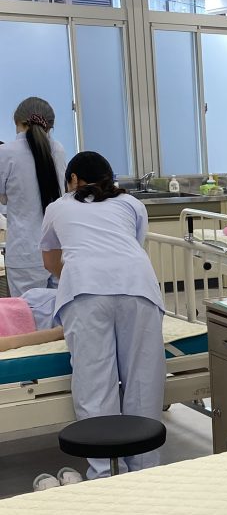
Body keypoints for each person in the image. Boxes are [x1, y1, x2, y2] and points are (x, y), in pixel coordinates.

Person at [39, 151, 165, 480]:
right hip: (136, 287)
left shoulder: (59, 206)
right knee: (143, 382)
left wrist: (79, 272)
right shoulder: (130, 203)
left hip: (85, 293)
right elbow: (131, 245)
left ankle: (105, 474)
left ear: (73, 179)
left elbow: (50, 262)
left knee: (95, 385)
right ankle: (146, 471)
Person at [0, 97, 66, 296]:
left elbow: (2, 198)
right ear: (50, 126)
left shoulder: (6, 153)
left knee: (27, 312)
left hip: (25, 253)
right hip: (58, 248)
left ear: (18, 122)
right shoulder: (58, 150)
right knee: (60, 309)